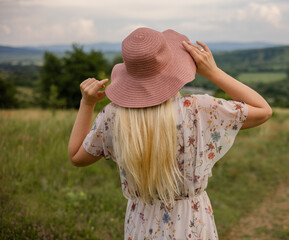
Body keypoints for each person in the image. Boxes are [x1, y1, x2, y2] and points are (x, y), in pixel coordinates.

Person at [68, 27, 272, 239]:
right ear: (173, 68)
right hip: (192, 224)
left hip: (140, 225)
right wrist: (213, 72)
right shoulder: (198, 109)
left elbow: (76, 157)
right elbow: (263, 111)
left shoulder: (113, 117)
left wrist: (87, 103)